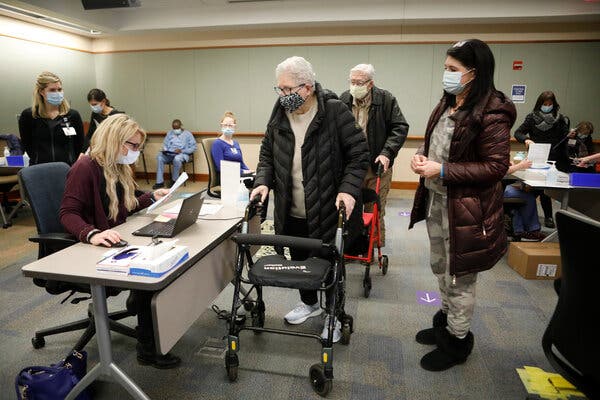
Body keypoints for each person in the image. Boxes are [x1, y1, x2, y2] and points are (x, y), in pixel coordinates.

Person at [409, 39, 516, 371]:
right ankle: (445, 323)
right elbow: (441, 146)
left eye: (453, 70)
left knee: (460, 277)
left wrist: (441, 170)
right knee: (441, 268)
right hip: (438, 202)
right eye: (445, 68)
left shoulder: (493, 110)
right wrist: (423, 158)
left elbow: (496, 167)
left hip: (467, 210)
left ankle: (457, 341)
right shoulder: (449, 103)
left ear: (475, 72)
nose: (447, 75)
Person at [250, 56, 369, 342]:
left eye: (288, 90)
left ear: (308, 86)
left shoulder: (333, 111)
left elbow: (359, 155)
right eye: (279, 89)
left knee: (330, 265)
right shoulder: (279, 111)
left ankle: (333, 314)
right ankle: (310, 304)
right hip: (290, 208)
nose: (283, 96)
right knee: (300, 261)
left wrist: (348, 189)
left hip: (328, 207)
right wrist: (263, 181)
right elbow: (267, 153)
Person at [59, 113, 180, 369]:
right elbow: (68, 213)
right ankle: (148, 349)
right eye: (132, 146)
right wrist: (92, 233)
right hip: (88, 248)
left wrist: (151, 196)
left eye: (138, 146)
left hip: (117, 237)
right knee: (151, 276)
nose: (135, 152)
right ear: (114, 140)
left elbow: (126, 202)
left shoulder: (116, 166)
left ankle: (139, 301)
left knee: (165, 259)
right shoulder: (85, 167)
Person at [339, 64, 409, 247]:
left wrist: (387, 153)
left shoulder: (385, 99)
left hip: (376, 166)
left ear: (370, 84)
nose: (354, 86)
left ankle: (371, 248)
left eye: (359, 82)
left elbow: (399, 128)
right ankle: (351, 247)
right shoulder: (344, 99)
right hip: (352, 166)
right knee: (349, 208)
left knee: (374, 209)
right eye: (352, 81)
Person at [513, 91, 570, 228]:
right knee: (534, 187)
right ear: (540, 104)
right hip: (536, 157)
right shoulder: (532, 118)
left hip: (554, 157)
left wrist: (569, 135)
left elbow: (564, 140)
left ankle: (549, 217)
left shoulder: (560, 118)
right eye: (545, 104)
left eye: (550, 104)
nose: (547, 106)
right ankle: (527, 214)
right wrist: (526, 139)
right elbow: (518, 132)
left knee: (546, 190)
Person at [212, 111, 268, 221]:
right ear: (221, 125)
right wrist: (242, 172)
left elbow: (241, 163)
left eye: (230, 125)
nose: (228, 127)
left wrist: (249, 171)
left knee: (262, 180)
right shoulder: (217, 144)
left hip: (240, 175)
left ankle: (260, 216)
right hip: (228, 177)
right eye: (225, 125)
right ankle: (258, 216)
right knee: (259, 181)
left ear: (234, 127)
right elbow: (220, 167)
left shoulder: (235, 143)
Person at [19, 71, 84, 166]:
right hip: (40, 169)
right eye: (52, 90)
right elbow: (27, 144)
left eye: (60, 89)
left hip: (67, 169)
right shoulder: (29, 116)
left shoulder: (72, 115)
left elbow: (79, 144)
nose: (57, 93)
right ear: (41, 92)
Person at [504, 159, 546, 241]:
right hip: (496, 189)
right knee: (528, 197)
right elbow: (500, 171)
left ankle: (520, 230)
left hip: (497, 187)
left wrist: (513, 166)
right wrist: (519, 166)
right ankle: (531, 230)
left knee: (520, 197)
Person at [153, 119, 197, 189]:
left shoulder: (188, 134)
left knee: (177, 159)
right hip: (170, 154)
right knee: (159, 157)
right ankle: (159, 182)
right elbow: (165, 144)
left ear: (181, 126)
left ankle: (174, 180)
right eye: (174, 128)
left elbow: (194, 147)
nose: (175, 130)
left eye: (177, 128)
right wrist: (165, 150)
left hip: (182, 154)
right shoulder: (169, 133)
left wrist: (182, 150)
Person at [83, 88, 124, 153]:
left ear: (103, 101)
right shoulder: (95, 114)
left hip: (112, 150)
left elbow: (119, 138)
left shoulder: (116, 115)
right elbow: (90, 134)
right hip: (99, 148)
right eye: (91, 105)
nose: (93, 107)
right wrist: (83, 152)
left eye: (95, 104)